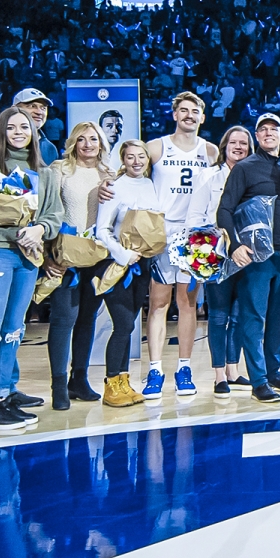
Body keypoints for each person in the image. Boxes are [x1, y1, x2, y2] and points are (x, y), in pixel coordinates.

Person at [0, 106, 63, 431]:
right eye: (11, 127)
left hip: (28, 257)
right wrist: (17, 234)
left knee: (13, 329)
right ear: (0, 132)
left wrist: (40, 231)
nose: (19, 132)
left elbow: (53, 215)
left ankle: (4, 393)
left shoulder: (45, 173)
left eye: (25, 127)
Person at [143, 91, 219, 399]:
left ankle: (184, 367)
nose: (189, 115)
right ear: (174, 114)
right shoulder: (155, 147)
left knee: (188, 305)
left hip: (197, 237)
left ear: (202, 117)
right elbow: (130, 174)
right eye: (183, 110)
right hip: (163, 233)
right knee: (158, 303)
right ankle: (155, 369)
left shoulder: (211, 150)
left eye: (194, 111)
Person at [220, 113, 280, 403]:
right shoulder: (245, 168)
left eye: (273, 129)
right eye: (262, 130)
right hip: (256, 256)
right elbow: (224, 209)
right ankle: (258, 381)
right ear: (257, 136)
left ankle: (273, 371)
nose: (268, 133)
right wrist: (234, 245)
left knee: (279, 318)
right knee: (253, 317)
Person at [44, 122, 114, 410]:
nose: (88, 144)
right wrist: (48, 256)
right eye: (82, 139)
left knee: (87, 319)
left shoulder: (109, 173)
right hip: (66, 256)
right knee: (64, 319)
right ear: (73, 142)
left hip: (97, 256)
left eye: (93, 139)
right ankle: (58, 384)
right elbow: (46, 210)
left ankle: (79, 379)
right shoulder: (59, 169)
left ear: (101, 143)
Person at [92, 140, 160, 408]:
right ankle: (110, 384)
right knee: (122, 326)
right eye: (130, 157)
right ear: (123, 159)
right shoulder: (115, 189)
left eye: (141, 156)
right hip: (117, 266)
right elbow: (102, 230)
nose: (136, 161)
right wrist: (123, 254)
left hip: (142, 266)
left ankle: (123, 382)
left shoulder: (151, 185)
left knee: (129, 326)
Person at [188, 126, 253, 397]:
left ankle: (233, 371)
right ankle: (218, 376)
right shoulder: (208, 176)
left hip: (247, 255)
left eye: (244, 144)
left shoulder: (252, 175)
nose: (238, 147)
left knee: (238, 316)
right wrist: (210, 246)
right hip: (216, 255)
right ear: (224, 145)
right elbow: (194, 217)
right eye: (233, 142)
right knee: (218, 316)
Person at [0, 87, 59, 164]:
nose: (39, 112)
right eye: (32, 106)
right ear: (14, 109)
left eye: (43, 108)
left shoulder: (50, 149)